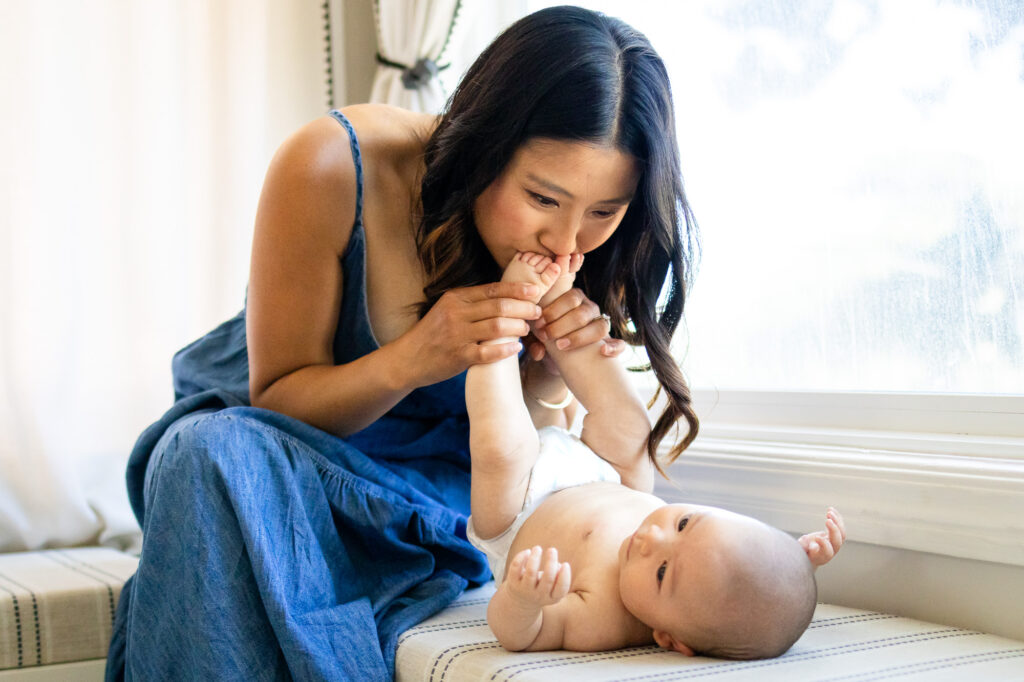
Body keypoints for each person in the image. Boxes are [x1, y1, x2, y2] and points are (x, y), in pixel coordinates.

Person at [107, 6, 704, 681]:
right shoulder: (332, 166)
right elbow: (274, 400)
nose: (567, 241)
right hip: (284, 469)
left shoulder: (595, 248)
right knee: (202, 452)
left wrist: (552, 374)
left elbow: (534, 459)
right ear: (484, 148)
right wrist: (417, 356)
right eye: (542, 198)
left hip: (438, 506)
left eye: (603, 211)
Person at [466, 252, 846, 659]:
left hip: (521, 511)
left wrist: (525, 600)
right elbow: (759, 584)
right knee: (632, 430)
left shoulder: (603, 620)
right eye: (684, 522)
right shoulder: (711, 563)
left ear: (669, 638)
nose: (652, 538)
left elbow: (517, 634)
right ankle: (561, 309)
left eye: (663, 573)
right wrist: (799, 564)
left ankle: (502, 327)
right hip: (608, 478)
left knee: (503, 450)